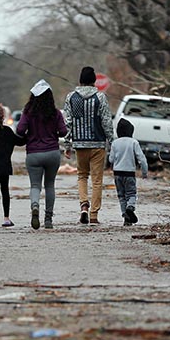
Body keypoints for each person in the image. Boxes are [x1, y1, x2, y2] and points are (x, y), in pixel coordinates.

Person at [63, 66, 114, 224]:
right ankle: (93, 214)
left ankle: (84, 205)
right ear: (94, 81)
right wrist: (111, 141)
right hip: (98, 144)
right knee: (97, 180)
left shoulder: (71, 97)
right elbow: (106, 121)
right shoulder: (100, 97)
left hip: (80, 144)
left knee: (82, 176)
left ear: (80, 80)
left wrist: (67, 144)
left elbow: (68, 123)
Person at [16, 79, 67, 230]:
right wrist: (54, 133)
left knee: (35, 185)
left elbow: (19, 130)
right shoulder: (55, 113)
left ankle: (35, 205)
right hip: (52, 152)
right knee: (50, 185)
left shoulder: (28, 113)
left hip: (33, 154)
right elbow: (64, 132)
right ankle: (49, 219)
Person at [109, 118, 148, 226]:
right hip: (129, 173)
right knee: (131, 194)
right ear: (131, 131)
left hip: (117, 173)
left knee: (121, 196)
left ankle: (125, 216)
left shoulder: (115, 143)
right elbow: (142, 158)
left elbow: (111, 159)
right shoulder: (134, 142)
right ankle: (130, 207)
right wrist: (144, 172)